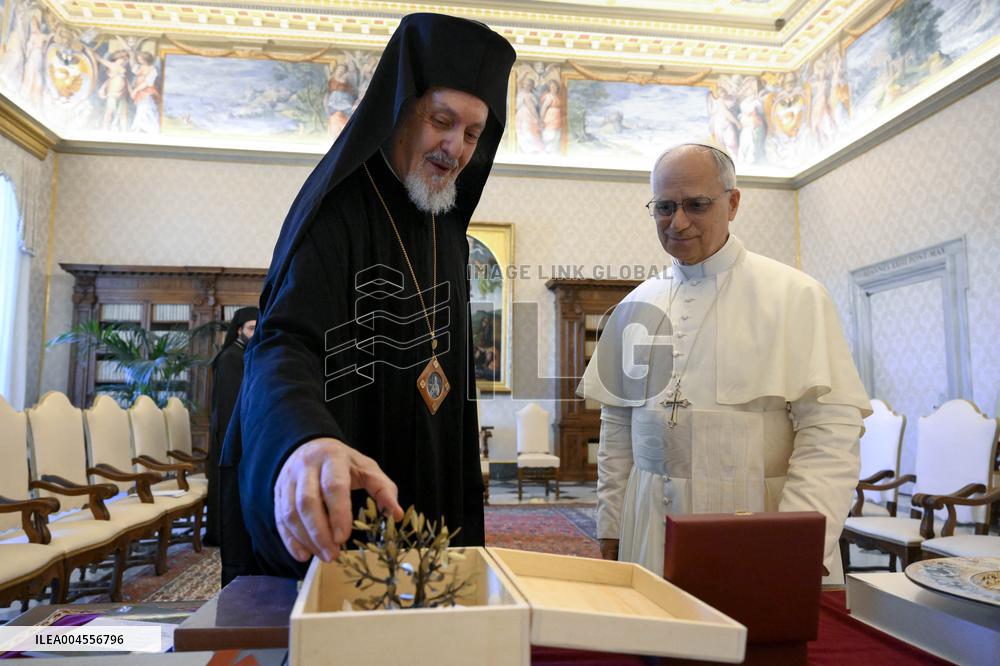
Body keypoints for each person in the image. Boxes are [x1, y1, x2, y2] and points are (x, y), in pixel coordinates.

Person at [219, 13, 515, 585]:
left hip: (430, 481)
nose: (455, 148)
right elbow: (285, 343)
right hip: (349, 468)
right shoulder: (339, 211)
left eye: (473, 133)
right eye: (441, 121)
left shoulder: (446, 225)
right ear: (401, 107)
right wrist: (305, 439)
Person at [578, 143, 870, 583]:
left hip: (757, 523)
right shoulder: (634, 306)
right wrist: (612, 522)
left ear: (732, 203)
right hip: (648, 526)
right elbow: (617, 428)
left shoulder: (795, 296)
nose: (678, 222)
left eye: (696, 204)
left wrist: (793, 544)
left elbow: (830, 435)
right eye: (664, 207)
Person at [205, 307, 258, 547]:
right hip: (229, 434)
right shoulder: (230, 358)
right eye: (251, 328)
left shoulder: (246, 354)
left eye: (259, 328)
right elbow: (228, 404)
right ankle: (222, 534)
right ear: (239, 330)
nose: (255, 333)